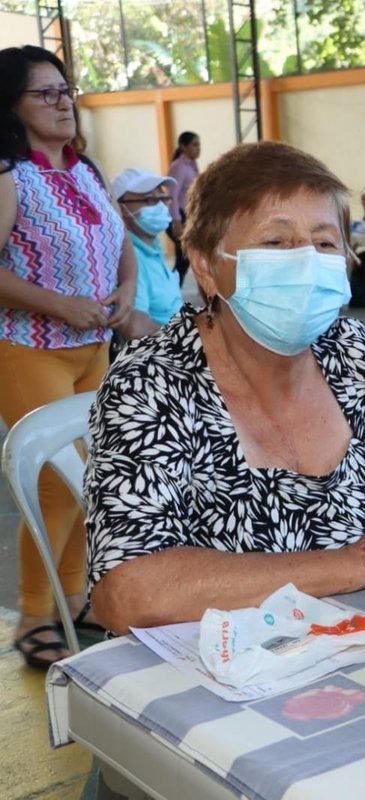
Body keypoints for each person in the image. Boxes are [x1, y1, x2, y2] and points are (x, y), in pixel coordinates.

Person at [85, 141, 365, 636]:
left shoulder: (358, 354)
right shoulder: (151, 382)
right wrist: (353, 562)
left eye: (323, 243)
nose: (305, 262)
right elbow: (130, 592)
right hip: (220, 672)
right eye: (276, 243)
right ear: (207, 266)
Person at [0, 45, 137, 668]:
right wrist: (60, 305)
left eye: (66, 90)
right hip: (30, 349)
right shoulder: (9, 175)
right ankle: (33, 616)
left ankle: (74, 597)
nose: (63, 103)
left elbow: (121, 246)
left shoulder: (87, 170)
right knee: (60, 483)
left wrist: (125, 294)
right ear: (12, 106)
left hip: (94, 347)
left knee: (97, 478)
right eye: (45, 93)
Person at [111, 167, 183, 339]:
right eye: (150, 200)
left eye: (163, 199)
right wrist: (188, 340)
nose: (159, 206)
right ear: (120, 208)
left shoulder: (154, 248)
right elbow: (135, 326)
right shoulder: (130, 258)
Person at [167, 131, 200, 285]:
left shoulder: (191, 165)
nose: (198, 148)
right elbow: (172, 195)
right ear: (183, 146)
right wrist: (176, 221)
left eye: (198, 145)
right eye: (194, 145)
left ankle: (171, 292)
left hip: (188, 216)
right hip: (178, 216)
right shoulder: (178, 167)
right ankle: (170, 292)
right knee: (184, 259)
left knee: (185, 259)